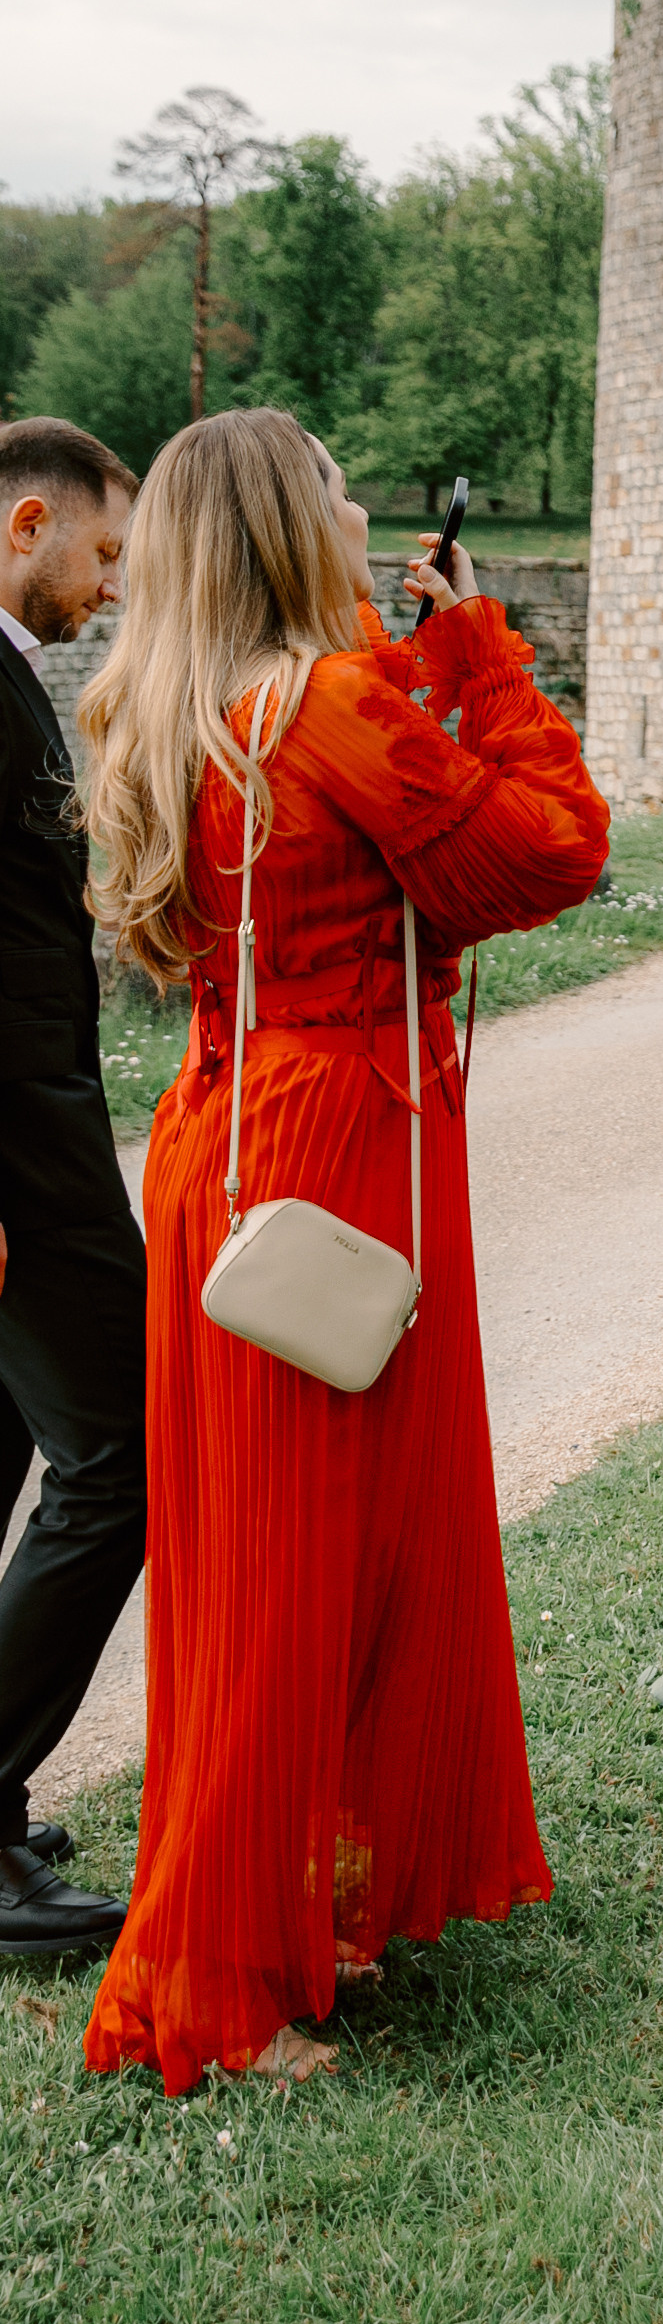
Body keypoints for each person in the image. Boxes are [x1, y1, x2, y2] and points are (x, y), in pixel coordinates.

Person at [77, 410, 609, 2091]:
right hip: (335, 1147)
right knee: (312, 1572)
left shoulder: (178, 705)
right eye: (335, 494)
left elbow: (401, 885)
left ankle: (307, 1907)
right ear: (289, 529)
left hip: (225, 1145)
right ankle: (227, 1984)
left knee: (261, 1574)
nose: (359, 510)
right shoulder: (335, 705)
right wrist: (473, 646)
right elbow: (549, 847)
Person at [0, 419, 148, 1958]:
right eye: (100, 555)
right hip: (17, 1162)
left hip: (40, 1136)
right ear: (28, 520)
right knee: (122, 1447)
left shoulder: (13, 678)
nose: (108, 586)